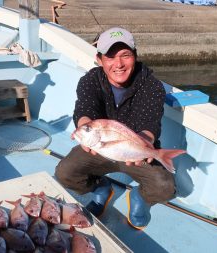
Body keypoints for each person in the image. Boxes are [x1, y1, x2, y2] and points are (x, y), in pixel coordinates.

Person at [54, 27, 176, 229]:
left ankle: (140, 198)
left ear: (135, 56)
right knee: (65, 172)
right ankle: (101, 188)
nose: (118, 64)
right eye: (110, 56)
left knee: (166, 188)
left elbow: (149, 124)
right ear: (99, 59)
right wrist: (84, 126)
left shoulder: (152, 86)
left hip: (136, 151)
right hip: (100, 147)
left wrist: (145, 145)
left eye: (125, 55)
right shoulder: (90, 81)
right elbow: (85, 108)